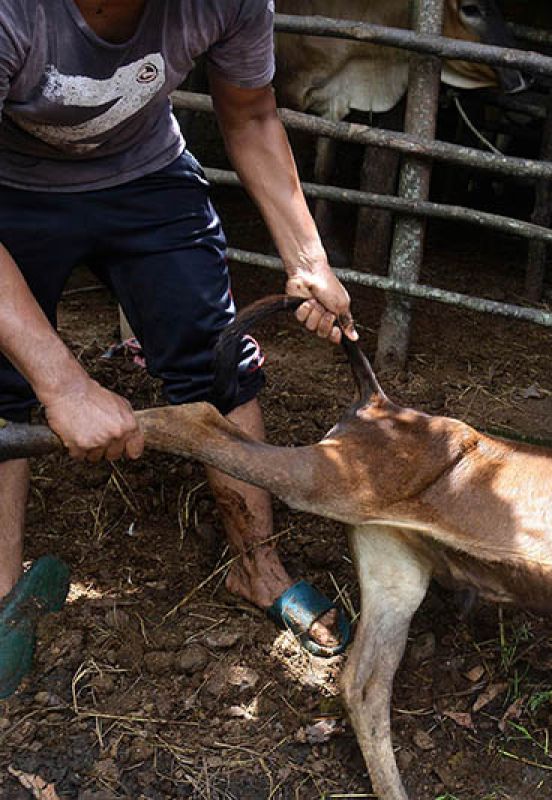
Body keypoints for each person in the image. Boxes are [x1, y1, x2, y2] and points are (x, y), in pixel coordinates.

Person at [0, 0, 358, 698]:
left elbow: (252, 114)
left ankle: (259, 568)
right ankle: (1, 592)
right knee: (3, 378)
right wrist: (61, 379)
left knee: (216, 357)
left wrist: (307, 256)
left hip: (145, 173)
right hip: (9, 184)